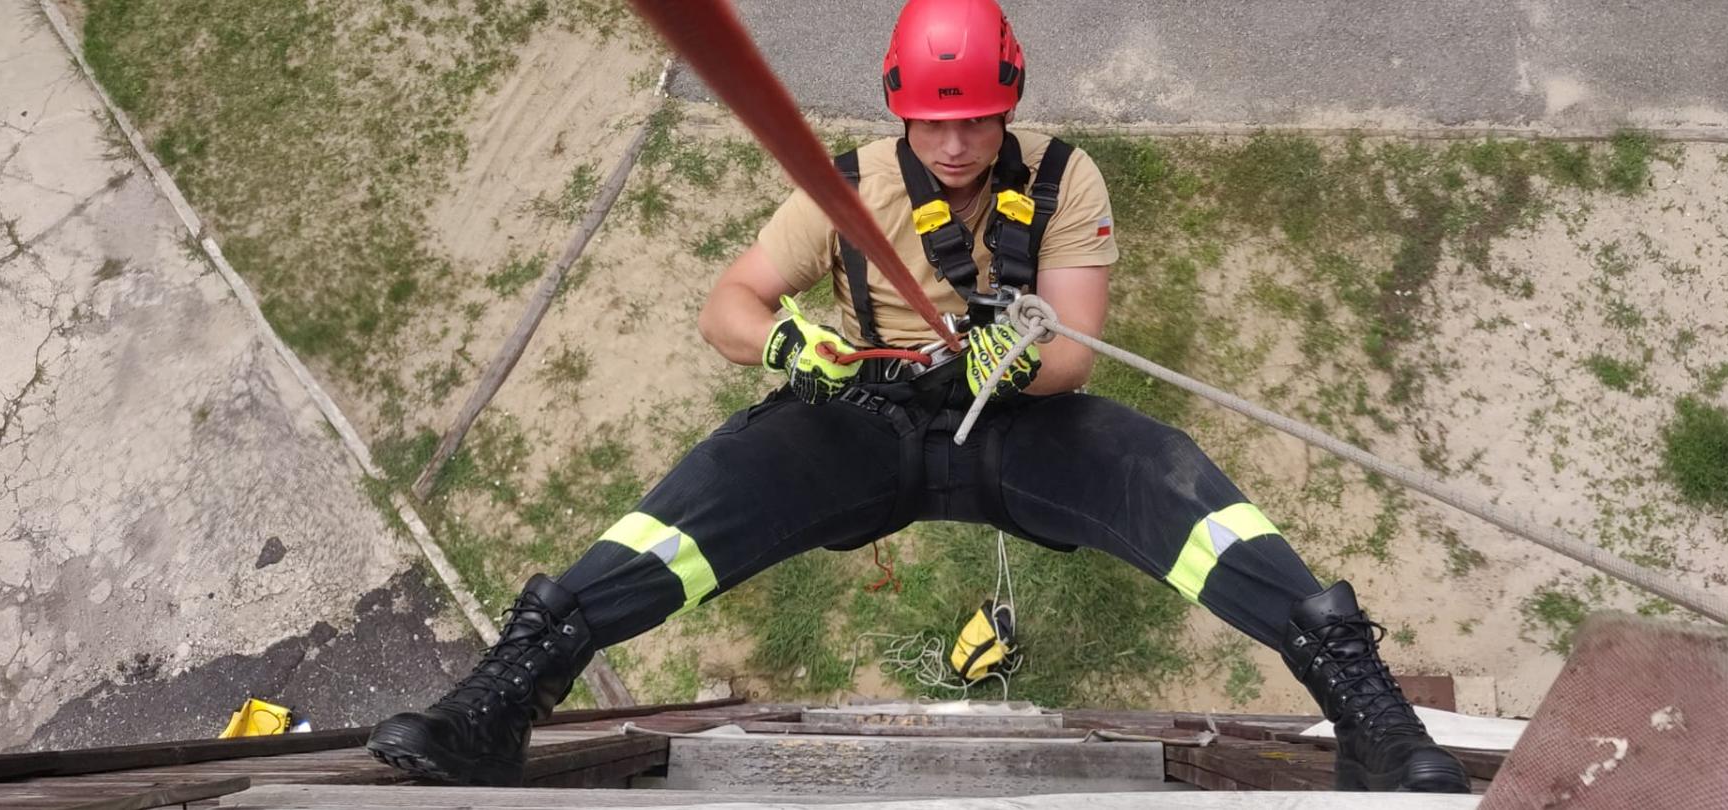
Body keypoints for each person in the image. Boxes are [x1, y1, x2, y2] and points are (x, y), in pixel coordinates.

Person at [367, 0, 1469, 793]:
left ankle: (1359, 700)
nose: (954, 145)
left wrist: (1001, 359)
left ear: (1009, 107)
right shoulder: (844, 189)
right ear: (900, 110)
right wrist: (794, 348)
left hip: (1017, 424)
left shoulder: (1062, 179)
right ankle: (507, 694)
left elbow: (1072, 354)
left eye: (978, 121)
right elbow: (730, 306)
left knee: (1174, 489)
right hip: (866, 425)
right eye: (935, 124)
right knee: (701, 507)